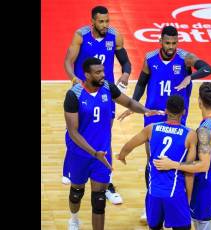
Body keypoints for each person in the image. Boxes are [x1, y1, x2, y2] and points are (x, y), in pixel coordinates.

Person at [117, 25, 211, 221]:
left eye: (174, 43)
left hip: (177, 116)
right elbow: (142, 83)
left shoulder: (185, 58)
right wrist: (134, 106)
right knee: (152, 161)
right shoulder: (150, 58)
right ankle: (150, 205)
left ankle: (178, 201)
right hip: (153, 114)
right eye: (167, 43)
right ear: (160, 41)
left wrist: (190, 76)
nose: (171, 47)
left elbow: (207, 68)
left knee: (179, 162)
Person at [63, 58, 162, 230]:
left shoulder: (108, 88)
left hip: (102, 153)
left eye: (103, 71)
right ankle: (74, 219)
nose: (103, 75)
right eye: (98, 72)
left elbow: (129, 102)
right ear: (87, 75)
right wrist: (94, 153)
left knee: (99, 199)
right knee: (76, 192)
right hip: (79, 153)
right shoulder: (74, 95)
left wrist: (146, 110)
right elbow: (73, 132)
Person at [63, 5, 132, 204]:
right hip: (84, 91)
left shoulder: (115, 36)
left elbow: (125, 61)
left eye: (107, 21)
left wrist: (126, 75)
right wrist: (74, 79)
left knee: (105, 135)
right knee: (76, 131)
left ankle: (107, 181)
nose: (105, 25)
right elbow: (68, 60)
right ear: (92, 21)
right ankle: (72, 166)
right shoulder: (80, 36)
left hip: (105, 94)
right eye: (101, 21)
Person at [154, 82, 211, 230]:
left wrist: (173, 164)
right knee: (205, 220)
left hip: (206, 184)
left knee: (201, 224)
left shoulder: (204, 130)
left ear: (199, 102)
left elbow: (204, 165)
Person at [117, 95, 197, 230]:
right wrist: (188, 198)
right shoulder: (190, 135)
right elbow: (189, 172)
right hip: (175, 195)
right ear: (184, 111)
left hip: (154, 193)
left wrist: (122, 155)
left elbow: (130, 144)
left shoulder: (151, 128)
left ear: (166, 110)